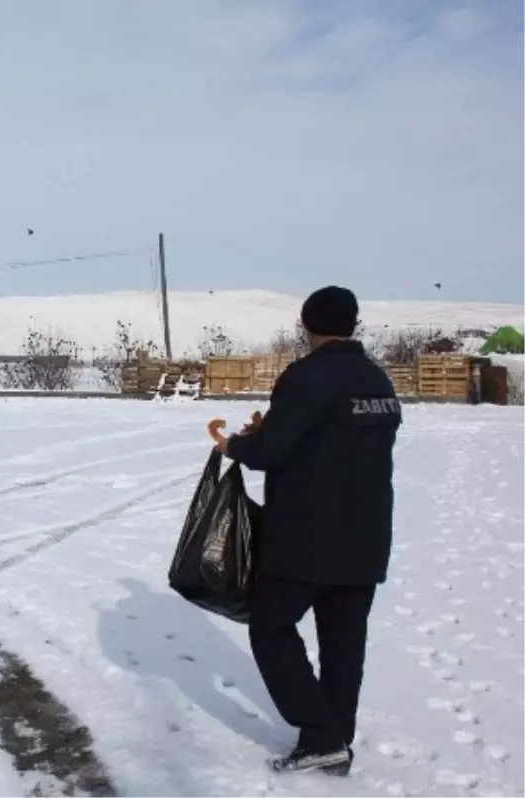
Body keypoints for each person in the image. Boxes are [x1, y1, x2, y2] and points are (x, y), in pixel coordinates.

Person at [217, 286, 401, 776]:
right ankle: (335, 743)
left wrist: (237, 446)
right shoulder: (378, 380)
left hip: (306, 538)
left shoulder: (306, 376)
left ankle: (322, 736)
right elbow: (338, 441)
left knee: (271, 627)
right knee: (344, 644)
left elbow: (274, 451)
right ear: (354, 324)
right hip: (365, 537)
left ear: (307, 325)